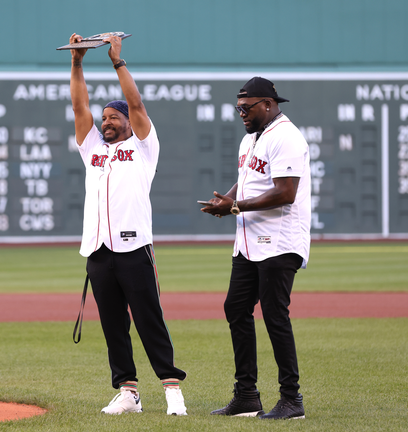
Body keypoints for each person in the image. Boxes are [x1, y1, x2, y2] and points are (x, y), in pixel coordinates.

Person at [68, 33, 188, 416]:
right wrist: (77, 61)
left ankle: (172, 390)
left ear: (129, 122)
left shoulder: (142, 147)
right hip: (99, 251)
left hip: (135, 249)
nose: (105, 122)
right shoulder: (93, 152)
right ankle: (128, 392)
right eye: (104, 118)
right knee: (113, 326)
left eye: (113, 117)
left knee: (149, 319)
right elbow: (78, 106)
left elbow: (135, 102)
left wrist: (117, 61)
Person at [200, 77, 311, 420]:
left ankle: (291, 400)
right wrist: (231, 197)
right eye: (238, 108)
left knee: (275, 315)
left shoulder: (286, 136)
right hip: (249, 242)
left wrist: (235, 208)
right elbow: (249, 176)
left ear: (268, 104)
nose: (241, 114)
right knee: (235, 308)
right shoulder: (252, 139)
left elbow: (285, 193)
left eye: (246, 108)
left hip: (279, 241)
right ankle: (247, 395)